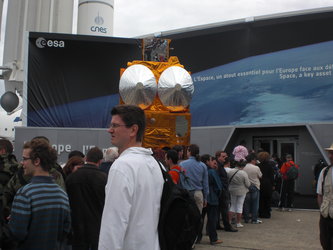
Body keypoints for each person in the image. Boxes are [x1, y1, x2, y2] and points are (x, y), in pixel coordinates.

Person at [99, 105, 164, 250]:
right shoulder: (154, 164)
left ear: (133, 130)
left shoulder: (122, 166)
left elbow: (113, 223)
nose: (109, 130)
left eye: (115, 126)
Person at [8, 139, 71, 249]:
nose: (22, 163)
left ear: (36, 161)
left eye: (24, 159)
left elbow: (17, 233)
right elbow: (66, 230)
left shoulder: (25, 194)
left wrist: (14, 220)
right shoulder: (62, 195)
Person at [66, 147, 107, 250]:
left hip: (76, 226)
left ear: (86, 159)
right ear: (100, 161)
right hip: (97, 226)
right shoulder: (104, 178)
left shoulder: (72, 177)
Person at [180, 144, 209, 213]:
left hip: (186, 193)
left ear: (189, 152)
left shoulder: (182, 164)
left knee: (186, 216)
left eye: (187, 151)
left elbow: (180, 181)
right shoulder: (203, 165)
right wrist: (205, 198)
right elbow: (205, 184)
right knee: (197, 217)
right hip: (198, 193)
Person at [201, 154, 223, 245]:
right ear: (207, 161)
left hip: (202, 196)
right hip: (212, 197)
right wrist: (217, 195)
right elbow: (219, 187)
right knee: (212, 219)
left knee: (200, 219)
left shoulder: (201, 170)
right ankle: (213, 238)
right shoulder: (212, 172)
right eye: (211, 161)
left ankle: (197, 237)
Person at [215, 150, 238, 232]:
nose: (225, 158)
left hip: (222, 189)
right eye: (223, 156)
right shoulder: (218, 166)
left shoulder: (219, 165)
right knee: (224, 209)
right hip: (222, 190)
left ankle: (218, 224)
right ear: (218, 157)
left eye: (226, 156)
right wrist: (222, 188)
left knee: (220, 209)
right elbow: (218, 178)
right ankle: (227, 226)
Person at [228, 146, 250, 228]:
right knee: (239, 206)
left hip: (232, 190)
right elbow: (248, 184)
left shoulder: (230, 171)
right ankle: (238, 223)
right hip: (241, 191)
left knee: (232, 205)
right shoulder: (243, 173)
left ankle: (229, 221)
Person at [317, 144, 333, 250]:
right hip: (326, 217)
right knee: (325, 243)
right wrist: (322, 210)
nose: (330, 156)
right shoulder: (325, 171)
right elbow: (320, 194)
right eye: (330, 153)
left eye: (332, 153)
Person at [243, 153, 262, 224]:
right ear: (252, 160)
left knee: (246, 203)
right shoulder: (256, 167)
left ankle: (246, 219)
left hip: (246, 186)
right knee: (255, 203)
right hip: (255, 186)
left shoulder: (244, 167)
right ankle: (254, 219)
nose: (256, 161)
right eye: (255, 160)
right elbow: (260, 176)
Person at [257, 151, 275, 218]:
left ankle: (261, 213)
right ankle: (267, 214)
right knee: (267, 199)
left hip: (260, 183)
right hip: (268, 184)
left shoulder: (258, 166)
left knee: (261, 199)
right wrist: (273, 185)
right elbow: (272, 176)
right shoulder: (270, 166)